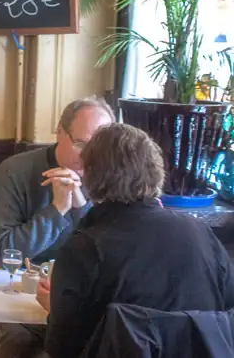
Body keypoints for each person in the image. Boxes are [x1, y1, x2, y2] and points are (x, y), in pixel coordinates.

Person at [40, 123, 234, 358]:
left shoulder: (85, 249)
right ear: (156, 172)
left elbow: (62, 349)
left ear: (90, 176)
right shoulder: (201, 234)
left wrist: (54, 309)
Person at [0, 97, 114, 358]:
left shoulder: (111, 175)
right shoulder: (16, 170)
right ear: (59, 132)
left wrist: (80, 206)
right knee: (17, 337)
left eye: (100, 147)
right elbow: (5, 252)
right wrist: (57, 209)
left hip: (87, 296)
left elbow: (109, 250)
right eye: (82, 144)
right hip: (26, 291)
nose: (91, 156)